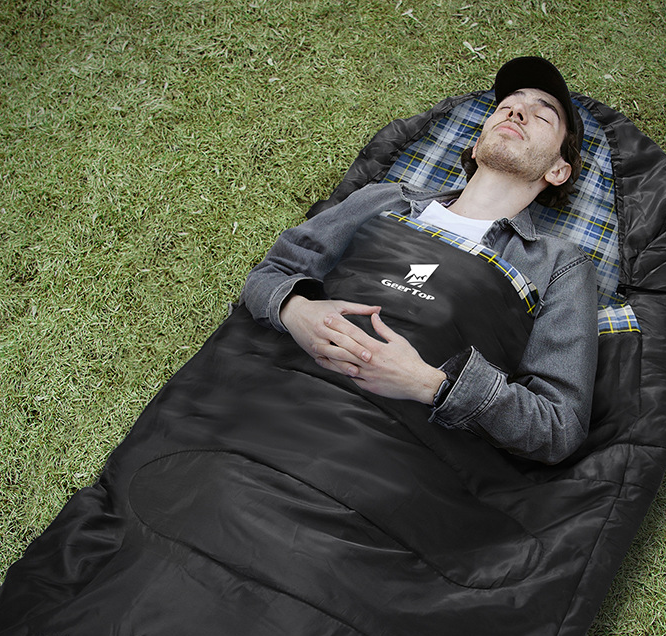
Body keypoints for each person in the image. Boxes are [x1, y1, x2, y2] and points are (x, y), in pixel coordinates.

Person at [242, 56, 598, 464]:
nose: (517, 111)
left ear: (558, 170)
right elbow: (271, 273)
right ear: (477, 144)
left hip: (385, 457)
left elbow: (558, 427)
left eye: (543, 116)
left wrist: (429, 384)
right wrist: (296, 312)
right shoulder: (383, 199)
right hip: (272, 406)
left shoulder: (558, 265)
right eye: (507, 105)